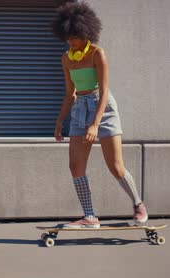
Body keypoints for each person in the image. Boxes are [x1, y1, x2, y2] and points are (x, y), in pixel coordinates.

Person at [51, 2, 148, 229]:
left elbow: (104, 91)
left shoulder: (97, 54)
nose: (70, 41)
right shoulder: (66, 59)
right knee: (75, 167)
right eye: (67, 37)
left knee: (115, 166)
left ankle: (138, 204)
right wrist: (59, 121)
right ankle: (90, 216)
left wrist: (95, 124)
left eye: (74, 37)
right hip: (79, 110)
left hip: (103, 108)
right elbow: (70, 93)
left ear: (85, 33)